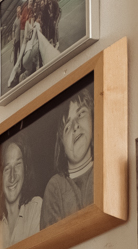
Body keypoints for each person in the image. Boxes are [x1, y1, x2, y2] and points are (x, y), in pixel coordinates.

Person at [41, 89, 96, 223]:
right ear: (62, 147)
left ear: (93, 118)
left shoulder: (107, 168)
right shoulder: (55, 187)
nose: (75, 126)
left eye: (81, 114)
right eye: (67, 127)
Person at [0, 139, 43, 249]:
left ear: (25, 169)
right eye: (7, 168)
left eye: (17, 165)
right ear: (0, 176)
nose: (12, 177)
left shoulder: (36, 208)